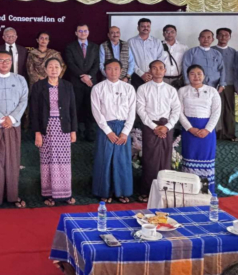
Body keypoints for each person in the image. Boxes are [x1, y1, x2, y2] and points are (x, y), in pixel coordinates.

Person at [0, 51, 29, 209]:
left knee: (12, 160)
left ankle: (12, 195)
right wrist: (1, 119)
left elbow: (23, 100)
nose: (4, 63)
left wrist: (12, 118)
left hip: (13, 125)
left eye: (7, 60)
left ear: (11, 62)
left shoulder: (20, 79)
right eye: (0, 60)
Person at [30, 58, 77, 206]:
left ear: (61, 69)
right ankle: (49, 194)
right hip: (46, 128)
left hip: (63, 128)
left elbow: (72, 110)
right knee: (47, 161)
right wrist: (37, 132)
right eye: (50, 66)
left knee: (64, 162)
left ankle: (65, 193)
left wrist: (73, 130)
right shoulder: (38, 86)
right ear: (45, 69)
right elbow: (34, 111)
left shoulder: (67, 86)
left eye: (57, 66)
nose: (54, 69)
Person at [90, 59, 137, 203]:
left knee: (122, 160)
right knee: (105, 159)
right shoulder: (98, 88)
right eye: (109, 69)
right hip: (106, 128)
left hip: (123, 127)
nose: (113, 72)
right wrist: (108, 131)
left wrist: (125, 132)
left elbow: (132, 111)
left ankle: (122, 192)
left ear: (121, 70)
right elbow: (96, 112)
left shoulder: (128, 88)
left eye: (116, 69)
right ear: (104, 70)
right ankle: (104, 192)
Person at [135, 60, 182, 202]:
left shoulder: (171, 89)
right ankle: (147, 191)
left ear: (165, 71)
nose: (158, 71)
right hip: (150, 127)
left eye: (161, 68)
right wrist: (154, 127)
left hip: (167, 126)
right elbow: (141, 110)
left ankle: (164, 191)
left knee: (165, 158)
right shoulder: (143, 88)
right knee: (150, 159)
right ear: (149, 71)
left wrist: (167, 127)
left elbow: (176, 109)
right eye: (154, 68)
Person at [178, 65, 222, 192]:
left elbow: (216, 112)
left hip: (207, 131)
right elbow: (179, 112)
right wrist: (190, 128)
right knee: (189, 157)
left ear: (204, 75)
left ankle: (205, 191)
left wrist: (207, 130)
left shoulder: (212, 91)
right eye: (192, 74)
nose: (196, 76)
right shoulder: (182, 91)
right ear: (187, 76)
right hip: (189, 131)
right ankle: (189, 191)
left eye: (199, 73)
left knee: (205, 159)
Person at [64, 23, 100, 142]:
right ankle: (76, 131)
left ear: (88, 32)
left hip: (91, 82)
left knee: (90, 108)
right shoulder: (70, 47)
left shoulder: (95, 47)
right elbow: (70, 64)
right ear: (76, 33)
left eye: (85, 31)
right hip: (76, 82)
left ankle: (89, 132)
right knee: (75, 108)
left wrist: (89, 76)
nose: (82, 33)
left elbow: (97, 64)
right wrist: (82, 76)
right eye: (80, 31)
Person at [212, 28, 238, 141]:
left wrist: (237, 86)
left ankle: (229, 134)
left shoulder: (234, 52)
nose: (223, 37)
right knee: (213, 108)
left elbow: (237, 70)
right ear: (217, 37)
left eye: (226, 35)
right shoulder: (211, 50)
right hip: (212, 84)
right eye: (221, 35)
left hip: (228, 84)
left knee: (228, 109)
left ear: (229, 37)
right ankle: (215, 133)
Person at [127, 18, 162, 89]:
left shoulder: (157, 41)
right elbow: (130, 60)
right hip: (137, 76)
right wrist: (141, 74)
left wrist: (152, 73)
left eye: (148, 26)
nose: (145, 28)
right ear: (138, 28)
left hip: (154, 76)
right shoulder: (131, 42)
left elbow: (160, 59)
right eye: (143, 26)